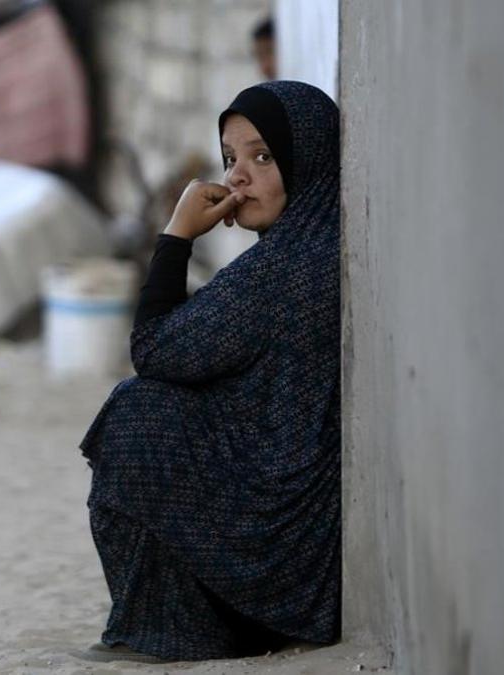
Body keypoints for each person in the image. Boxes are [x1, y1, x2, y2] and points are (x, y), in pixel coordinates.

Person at [78, 81, 341, 663]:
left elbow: (154, 349)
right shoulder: (312, 246)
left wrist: (175, 237)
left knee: (139, 411)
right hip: (299, 535)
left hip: (286, 549)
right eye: (230, 159)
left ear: (311, 160)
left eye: (263, 157)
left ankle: (183, 629)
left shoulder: (286, 269)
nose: (237, 177)